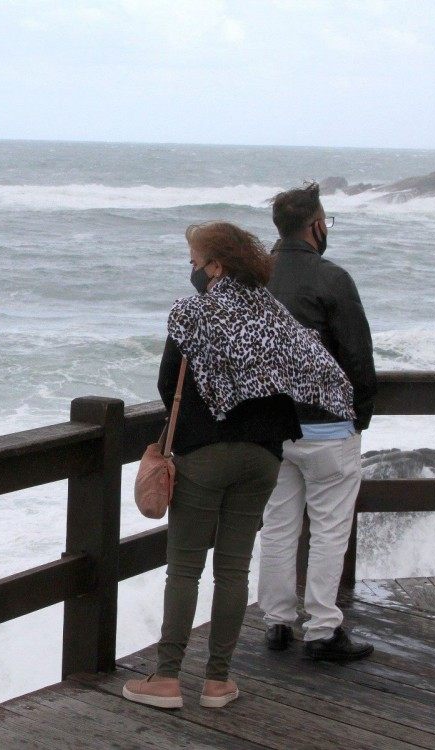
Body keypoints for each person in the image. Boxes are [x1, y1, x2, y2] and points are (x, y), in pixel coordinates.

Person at [123, 221, 355, 709]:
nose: (190, 271)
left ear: (216, 265)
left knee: (184, 568)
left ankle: (166, 679)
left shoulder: (193, 314)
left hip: (205, 452)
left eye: (193, 262)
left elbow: (170, 386)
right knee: (233, 569)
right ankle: (217, 682)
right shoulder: (275, 315)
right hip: (265, 456)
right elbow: (319, 374)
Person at [258, 182, 378, 661]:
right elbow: (358, 356)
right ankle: (323, 629)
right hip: (327, 428)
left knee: (278, 525)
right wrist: (359, 417)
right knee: (329, 529)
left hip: (270, 427)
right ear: (315, 225)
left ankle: (276, 622)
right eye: (326, 220)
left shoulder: (256, 277)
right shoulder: (332, 279)